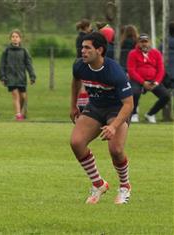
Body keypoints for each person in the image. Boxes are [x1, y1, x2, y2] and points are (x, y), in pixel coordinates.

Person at [70, 32, 133, 204]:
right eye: (82, 47)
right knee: (76, 142)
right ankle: (98, 184)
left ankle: (125, 187)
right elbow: (75, 81)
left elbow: (129, 104)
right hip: (96, 107)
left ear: (99, 50)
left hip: (117, 110)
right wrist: (73, 105)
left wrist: (113, 126)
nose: (83, 51)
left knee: (116, 150)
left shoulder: (114, 72)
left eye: (87, 48)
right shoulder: (80, 66)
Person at [127, 33, 170, 123]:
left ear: (149, 42)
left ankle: (150, 114)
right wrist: (143, 82)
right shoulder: (133, 53)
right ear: (138, 43)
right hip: (137, 80)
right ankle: (134, 113)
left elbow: (161, 69)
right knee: (134, 93)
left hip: (153, 80)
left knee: (166, 95)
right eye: (141, 42)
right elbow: (131, 70)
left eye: (146, 41)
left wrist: (157, 82)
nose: (144, 44)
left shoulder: (156, 53)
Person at [0, 29, 36, 121]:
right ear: (10, 39)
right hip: (10, 78)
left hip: (21, 78)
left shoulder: (24, 51)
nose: (15, 39)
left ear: (20, 39)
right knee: (15, 95)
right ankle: (18, 115)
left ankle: (22, 113)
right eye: (13, 37)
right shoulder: (6, 51)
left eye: (16, 37)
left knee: (23, 96)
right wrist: (2, 76)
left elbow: (29, 64)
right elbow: (2, 64)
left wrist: (32, 76)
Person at [75, 19, 93, 112]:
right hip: (83, 61)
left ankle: (81, 103)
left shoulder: (79, 36)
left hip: (78, 60)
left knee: (81, 83)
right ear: (86, 27)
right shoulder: (85, 38)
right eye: (90, 27)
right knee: (83, 84)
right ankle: (82, 105)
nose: (91, 28)